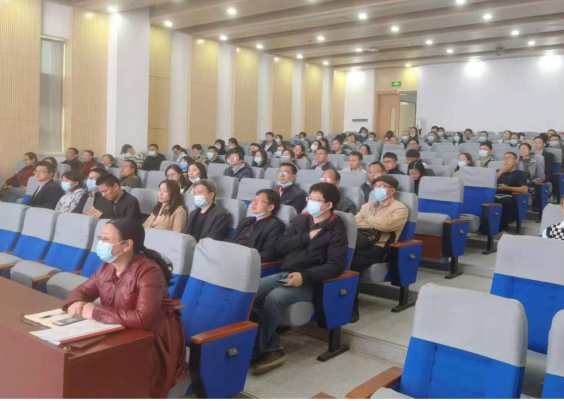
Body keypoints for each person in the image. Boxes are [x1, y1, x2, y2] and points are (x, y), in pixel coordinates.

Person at [63, 219, 187, 399]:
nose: (101, 244)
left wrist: (95, 311)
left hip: (153, 339)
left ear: (127, 245)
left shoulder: (149, 271)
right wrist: (76, 302)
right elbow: (81, 291)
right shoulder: (107, 267)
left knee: (108, 374)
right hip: (119, 329)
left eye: (106, 239)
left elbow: (144, 318)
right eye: (100, 238)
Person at [251, 183, 347, 374]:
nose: (311, 202)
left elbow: (335, 266)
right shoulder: (301, 220)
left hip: (312, 281)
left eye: (316, 200)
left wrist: (305, 276)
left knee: (274, 298)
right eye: (309, 198)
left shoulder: (336, 229)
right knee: (252, 293)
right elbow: (280, 245)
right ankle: (272, 347)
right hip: (286, 272)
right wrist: (306, 237)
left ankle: (256, 352)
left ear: (328, 205)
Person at [350, 175, 408, 322]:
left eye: (382, 187)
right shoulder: (368, 205)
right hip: (360, 242)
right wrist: (373, 223)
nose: (377, 189)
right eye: (376, 186)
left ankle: (351, 307)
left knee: (351, 265)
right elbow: (354, 222)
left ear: (392, 190)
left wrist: (367, 220)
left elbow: (386, 225)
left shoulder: (400, 208)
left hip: (379, 248)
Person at [231, 190, 286, 263]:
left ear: (270, 207)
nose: (254, 203)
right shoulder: (246, 220)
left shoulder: (276, 226)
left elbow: (269, 253)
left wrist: (245, 259)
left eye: (259, 201)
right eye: (253, 200)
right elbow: (233, 240)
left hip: (247, 262)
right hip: (232, 256)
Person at [495, 152, 529, 233]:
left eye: (509, 158)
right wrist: (501, 171)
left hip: (510, 196)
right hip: (495, 194)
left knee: (504, 201)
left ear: (516, 161)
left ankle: (502, 230)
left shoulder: (520, 173)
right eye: (505, 158)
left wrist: (507, 188)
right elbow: (488, 183)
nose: (506, 160)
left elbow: (525, 189)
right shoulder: (497, 172)